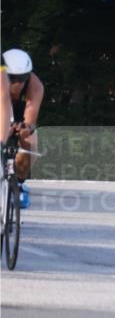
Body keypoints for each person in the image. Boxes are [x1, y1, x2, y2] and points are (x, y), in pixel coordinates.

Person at [2, 49, 45, 208]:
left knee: (30, 139)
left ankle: (19, 182)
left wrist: (25, 128)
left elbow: (31, 118)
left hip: (20, 115)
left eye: (22, 78)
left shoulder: (35, 85)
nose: (17, 83)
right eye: (12, 79)